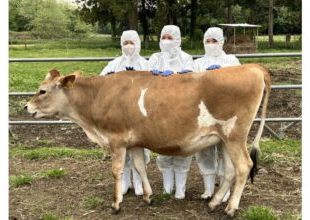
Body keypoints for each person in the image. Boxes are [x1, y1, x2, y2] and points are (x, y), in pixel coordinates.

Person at [100, 30, 151, 196]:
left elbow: (154, 87)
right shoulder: (114, 64)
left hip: (138, 114)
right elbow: (101, 83)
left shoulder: (146, 64)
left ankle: (138, 181)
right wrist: (110, 77)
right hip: (118, 114)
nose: (128, 46)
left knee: (138, 146)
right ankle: (124, 181)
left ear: (138, 44)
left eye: (132, 43)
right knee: (121, 148)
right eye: (125, 43)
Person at [193, 27, 240, 201]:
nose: (211, 44)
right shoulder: (197, 63)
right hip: (203, 113)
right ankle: (208, 188)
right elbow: (190, 86)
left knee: (225, 151)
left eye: (214, 41)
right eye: (208, 41)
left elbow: (240, 84)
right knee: (204, 150)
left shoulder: (231, 61)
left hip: (227, 113)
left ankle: (225, 188)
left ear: (221, 42)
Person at [149, 25, 194, 199]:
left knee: (183, 145)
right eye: (163, 37)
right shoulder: (154, 58)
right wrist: (154, 75)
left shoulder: (187, 58)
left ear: (177, 39)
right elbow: (146, 80)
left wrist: (181, 75)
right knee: (162, 145)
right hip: (159, 109)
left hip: (182, 108)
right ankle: (167, 187)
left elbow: (194, 82)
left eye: (170, 37)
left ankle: (181, 188)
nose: (166, 41)